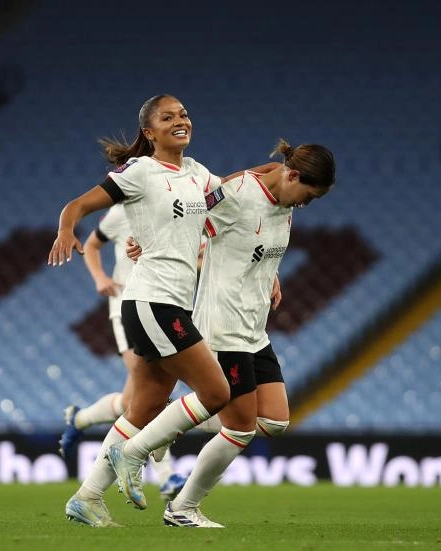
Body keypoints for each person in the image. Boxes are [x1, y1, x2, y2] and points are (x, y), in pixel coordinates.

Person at [117, 139, 337, 528]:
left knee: (274, 421)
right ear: (293, 175)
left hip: (254, 328)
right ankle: (180, 505)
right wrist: (146, 243)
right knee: (239, 427)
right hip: (223, 325)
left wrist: (271, 277)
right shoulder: (238, 193)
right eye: (309, 194)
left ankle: (171, 422)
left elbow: (257, 246)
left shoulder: (284, 202)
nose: (307, 204)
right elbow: (186, 217)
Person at [48, 94, 233, 527]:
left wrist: (274, 175)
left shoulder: (196, 173)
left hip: (169, 302)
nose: (180, 120)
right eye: (168, 117)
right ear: (149, 132)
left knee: (145, 406)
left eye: (184, 113)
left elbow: (235, 194)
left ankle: (88, 497)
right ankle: (135, 455)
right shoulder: (140, 172)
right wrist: (65, 230)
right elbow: (78, 205)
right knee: (217, 393)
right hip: (151, 301)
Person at [58, 203, 186, 500]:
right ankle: (167, 478)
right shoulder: (120, 213)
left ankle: (79, 419)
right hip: (126, 309)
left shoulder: (170, 205)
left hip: (160, 308)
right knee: (151, 392)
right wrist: (100, 278)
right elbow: (90, 246)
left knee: (132, 400)